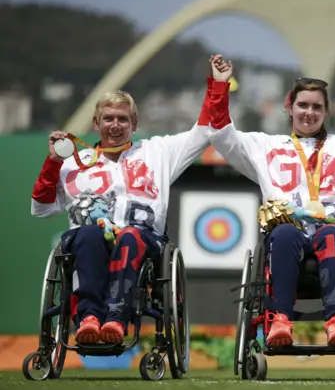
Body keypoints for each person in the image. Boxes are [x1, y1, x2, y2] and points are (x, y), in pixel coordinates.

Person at [206, 54, 335, 349]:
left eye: (317, 106)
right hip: (287, 235)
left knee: (331, 234)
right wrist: (219, 86)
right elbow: (220, 135)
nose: (309, 112)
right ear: (289, 108)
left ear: (327, 112)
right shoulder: (265, 147)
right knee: (285, 233)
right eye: (303, 105)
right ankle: (280, 320)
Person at [31, 86, 216, 344]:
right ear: (96, 123)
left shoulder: (157, 152)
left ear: (134, 123)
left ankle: (116, 318)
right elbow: (41, 209)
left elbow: (205, 130)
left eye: (123, 119)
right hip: (88, 242)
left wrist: (218, 85)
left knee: (130, 236)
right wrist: (53, 162)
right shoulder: (74, 162)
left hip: (143, 242)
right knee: (89, 234)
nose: (115, 125)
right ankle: (89, 319)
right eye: (108, 118)